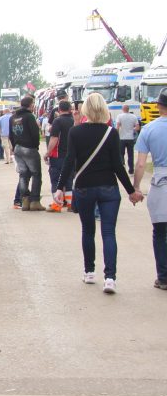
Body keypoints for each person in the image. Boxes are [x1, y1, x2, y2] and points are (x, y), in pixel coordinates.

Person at [55, 93, 142, 294]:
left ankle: (90, 272)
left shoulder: (75, 133)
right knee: (109, 232)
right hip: (108, 188)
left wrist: (60, 187)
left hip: (85, 187)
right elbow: (118, 165)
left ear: (85, 109)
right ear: (104, 109)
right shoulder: (111, 133)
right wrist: (131, 191)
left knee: (88, 230)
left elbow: (69, 161)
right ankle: (110, 278)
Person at [132, 88, 167, 291]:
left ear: (159, 106)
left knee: (160, 232)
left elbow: (140, 164)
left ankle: (163, 276)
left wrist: (136, 187)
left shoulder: (149, 129)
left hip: (161, 181)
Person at [11, 95, 45, 211]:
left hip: (17, 148)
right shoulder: (29, 116)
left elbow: (11, 135)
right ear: (31, 105)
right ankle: (35, 201)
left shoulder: (13, 117)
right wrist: (36, 146)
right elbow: (35, 134)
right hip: (29, 147)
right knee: (36, 174)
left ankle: (25, 200)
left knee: (23, 175)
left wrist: (14, 146)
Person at [44, 100, 74, 213]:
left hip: (57, 155)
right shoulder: (73, 121)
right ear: (70, 109)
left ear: (59, 109)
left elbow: (54, 138)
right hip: (70, 155)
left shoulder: (57, 121)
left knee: (55, 179)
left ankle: (57, 204)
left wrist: (47, 152)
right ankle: (70, 204)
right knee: (69, 179)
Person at [115, 105, 140, 175]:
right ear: (128, 109)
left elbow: (117, 127)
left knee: (121, 154)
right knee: (130, 155)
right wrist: (132, 130)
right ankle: (131, 170)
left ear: (123, 109)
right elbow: (137, 128)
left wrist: (116, 134)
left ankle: (122, 166)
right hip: (130, 138)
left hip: (121, 138)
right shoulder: (133, 116)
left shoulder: (119, 116)